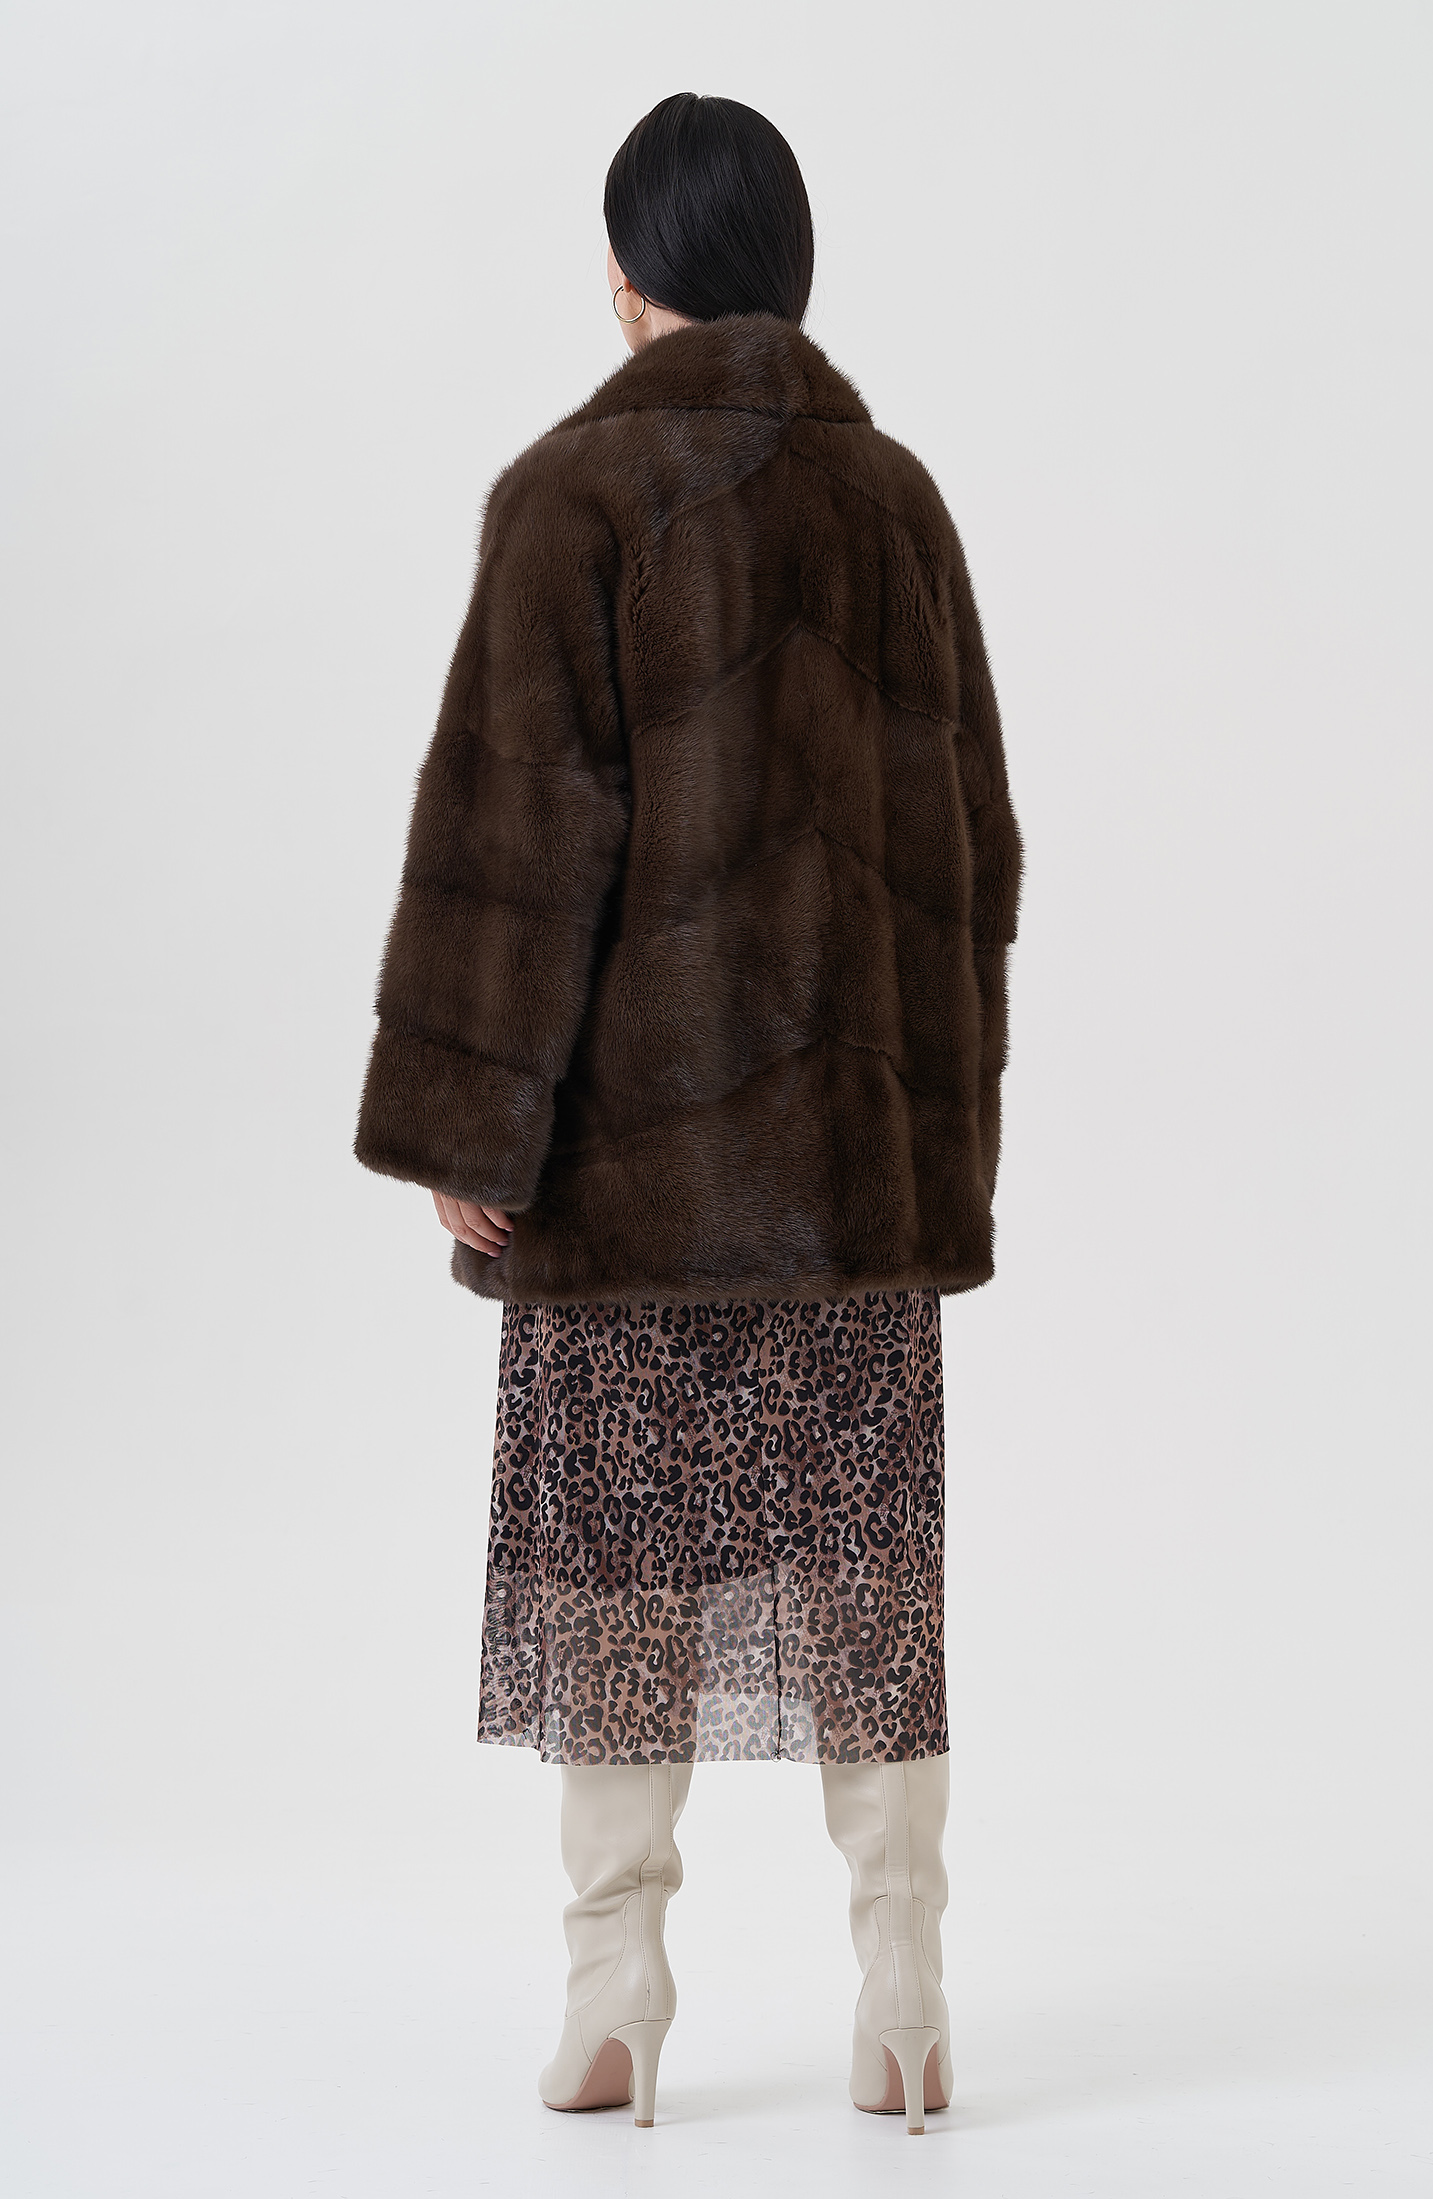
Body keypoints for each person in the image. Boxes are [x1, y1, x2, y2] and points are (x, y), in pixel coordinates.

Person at [355, 90, 1023, 2135]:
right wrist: (929, 1153)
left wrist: (472, 1125)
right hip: (847, 1197)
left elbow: (518, 838)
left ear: (630, 275)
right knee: (868, 1583)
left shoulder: (573, 495)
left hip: (627, 1185)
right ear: (787, 271)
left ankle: (614, 1996)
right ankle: (902, 1993)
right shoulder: (896, 504)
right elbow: (974, 853)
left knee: (620, 1578)